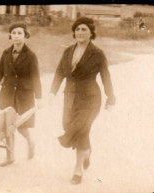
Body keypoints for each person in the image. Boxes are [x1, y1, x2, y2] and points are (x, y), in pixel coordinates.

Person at [49, 17, 115, 184]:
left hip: (90, 99)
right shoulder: (68, 51)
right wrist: (52, 92)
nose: (80, 32)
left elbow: (105, 75)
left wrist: (111, 97)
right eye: (77, 29)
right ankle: (86, 151)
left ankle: (78, 170)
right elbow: (59, 72)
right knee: (69, 126)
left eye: (84, 29)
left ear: (91, 33)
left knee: (80, 131)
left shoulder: (97, 53)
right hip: (70, 97)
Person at [0, 22, 42, 166]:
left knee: (21, 126)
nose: (16, 36)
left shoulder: (31, 56)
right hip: (6, 93)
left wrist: (39, 97)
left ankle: (31, 143)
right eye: (14, 33)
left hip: (24, 94)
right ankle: (10, 156)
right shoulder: (6, 53)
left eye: (20, 33)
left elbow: (35, 77)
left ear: (25, 35)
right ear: (10, 36)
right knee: (7, 125)